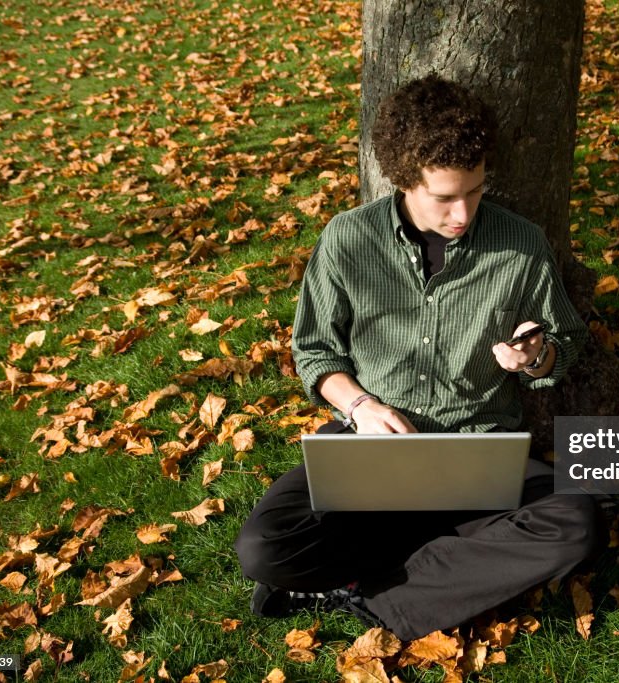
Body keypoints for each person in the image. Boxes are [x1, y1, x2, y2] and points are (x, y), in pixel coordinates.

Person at [233, 75, 600, 641]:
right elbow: (313, 351)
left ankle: (368, 593)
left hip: (478, 456)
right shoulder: (349, 239)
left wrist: (536, 356)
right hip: (372, 453)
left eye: (475, 191)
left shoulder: (520, 244)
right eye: (446, 197)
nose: (464, 213)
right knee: (264, 543)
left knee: (573, 521)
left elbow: (564, 347)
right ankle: (429, 565)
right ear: (403, 180)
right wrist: (360, 406)